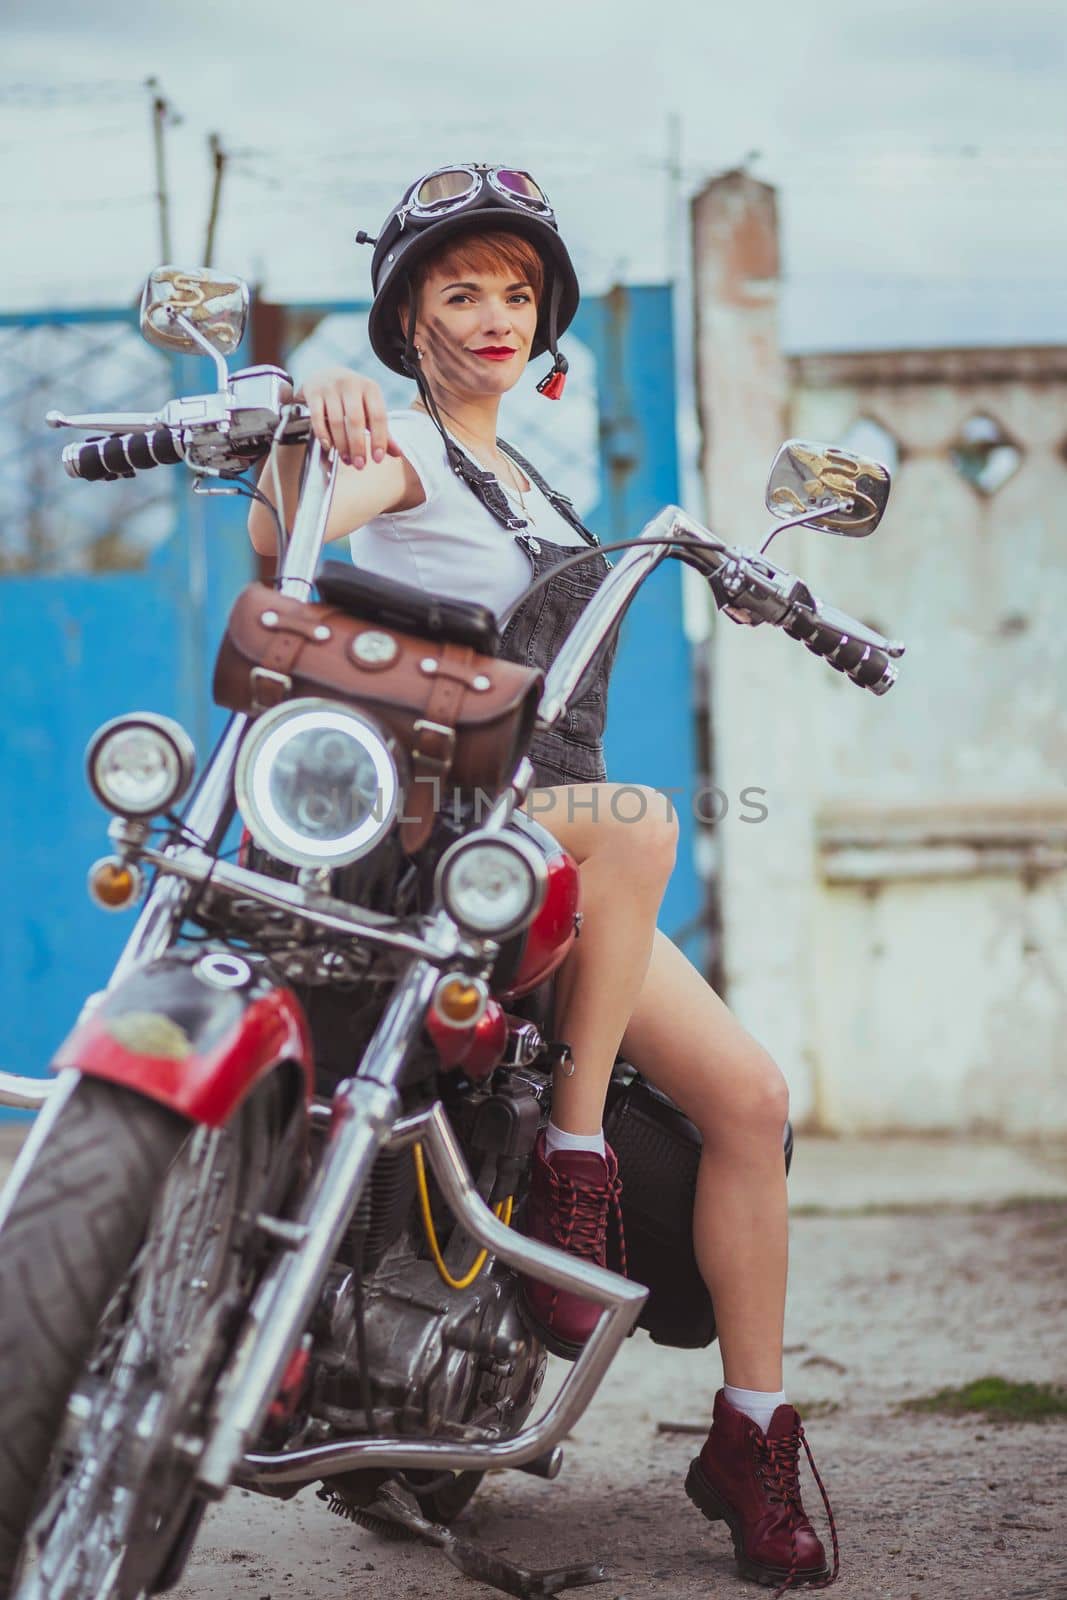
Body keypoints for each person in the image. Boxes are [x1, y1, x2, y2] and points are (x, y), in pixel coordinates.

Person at [247, 163, 838, 1593]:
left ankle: (750, 1438)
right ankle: (577, 1156)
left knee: (752, 1099)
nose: (496, 315)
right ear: (407, 316)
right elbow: (291, 537)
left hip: (562, 854)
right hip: (453, 826)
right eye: (461, 290)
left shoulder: (539, 484)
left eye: (518, 293)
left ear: (548, 320)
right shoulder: (400, 445)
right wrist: (305, 427)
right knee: (637, 818)